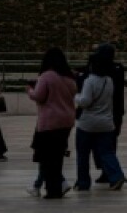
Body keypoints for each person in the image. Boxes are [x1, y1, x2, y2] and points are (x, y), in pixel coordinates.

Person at [27, 47, 77, 199]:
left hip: (49, 122)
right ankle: (56, 187)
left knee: (47, 158)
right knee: (58, 157)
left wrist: (29, 90)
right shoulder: (69, 77)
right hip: (66, 121)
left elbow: (39, 96)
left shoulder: (47, 76)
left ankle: (52, 189)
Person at [73, 52, 127, 191]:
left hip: (88, 123)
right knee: (107, 152)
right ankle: (116, 176)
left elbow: (85, 101)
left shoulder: (89, 81)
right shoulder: (109, 80)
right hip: (106, 122)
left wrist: (76, 97)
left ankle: (83, 182)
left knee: (83, 154)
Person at [89, 43, 126, 185]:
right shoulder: (118, 69)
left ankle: (107, 170)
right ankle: (107, 170)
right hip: (116, 111)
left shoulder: (102, 70)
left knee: (100, 143)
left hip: (103, 110)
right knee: (111, 143)